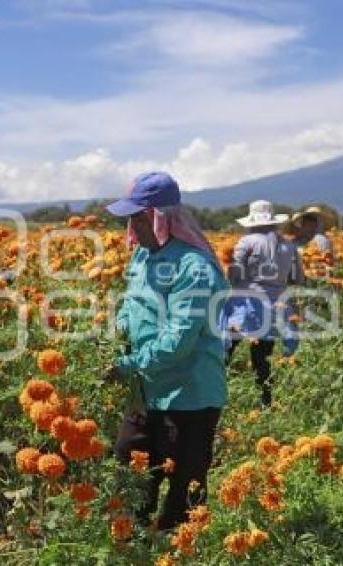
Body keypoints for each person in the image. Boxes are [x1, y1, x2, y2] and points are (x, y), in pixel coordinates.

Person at [104, 171, 228, 531]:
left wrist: (126, 364)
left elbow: (179, 340)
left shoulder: (195, 268)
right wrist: (114, 337)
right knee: (130, 475)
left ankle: (178, 551)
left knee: (183, 492)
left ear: (159, 218)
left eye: (136, 217)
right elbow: (129, 308)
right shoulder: (142, 259)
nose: (130, 226)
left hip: (188, 396)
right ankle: (130, 548)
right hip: (146, 391)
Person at [221, 200, 304, 408]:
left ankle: (213, 398)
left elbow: (234, 274)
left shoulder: (247, 242)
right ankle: (266, 403)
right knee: (262, 358)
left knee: (225, 350)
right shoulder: (288, 245)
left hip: (246, 303)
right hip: (275, 305)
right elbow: (297, 278)